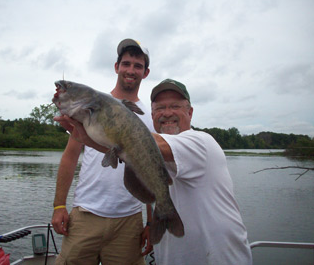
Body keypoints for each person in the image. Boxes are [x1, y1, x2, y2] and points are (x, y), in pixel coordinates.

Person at [52, 39, 154, 264]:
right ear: (116, 67)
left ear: (145, 73)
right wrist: (59, 205)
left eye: (137, 66)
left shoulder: (149, 117)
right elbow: (69, 158)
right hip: (86, 215)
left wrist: (150, 221)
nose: (130, 70)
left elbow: (150, 173)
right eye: (126, 64)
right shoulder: (88, 108)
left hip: (129, 222)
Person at [150, 79, 253, 264]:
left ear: (190, 112)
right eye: (160, 108)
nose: (167, 113)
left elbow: (134, 140)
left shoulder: (200, 142)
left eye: (175, 106)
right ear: (152, 114)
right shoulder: (154, 154)